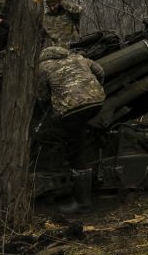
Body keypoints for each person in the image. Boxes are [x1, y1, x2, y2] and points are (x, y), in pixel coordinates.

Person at [37, 45, 105, 214]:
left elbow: (42, 96)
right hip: (97, 102)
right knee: (77, 136)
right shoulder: (78, 57)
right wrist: (91, 89)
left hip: (71, 109)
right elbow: (100, 71)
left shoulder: (43, 67)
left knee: (75, 152)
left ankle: (82, 203)